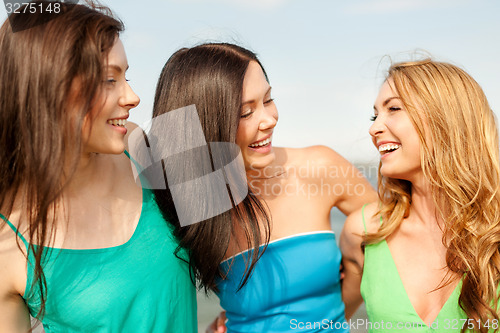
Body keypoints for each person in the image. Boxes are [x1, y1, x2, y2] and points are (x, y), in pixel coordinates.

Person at [150, 43, 377, 333]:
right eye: (246, 112)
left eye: (268, 100)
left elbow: (391, 241)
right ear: (207, 125)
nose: (269, 119)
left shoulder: (319, 166)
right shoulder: (185, 202)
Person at [0, 2, 196, 332]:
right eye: (108, 79)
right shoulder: (8, 244)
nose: (133, 97)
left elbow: (232, 236)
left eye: (126, 76)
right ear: (46, 89)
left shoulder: (139, 144)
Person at [340, 59, 500, 332]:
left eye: (394, 108)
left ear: (447, 117)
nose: (374, 128)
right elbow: (325, 319)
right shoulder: (364, 231)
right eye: (374, 115)